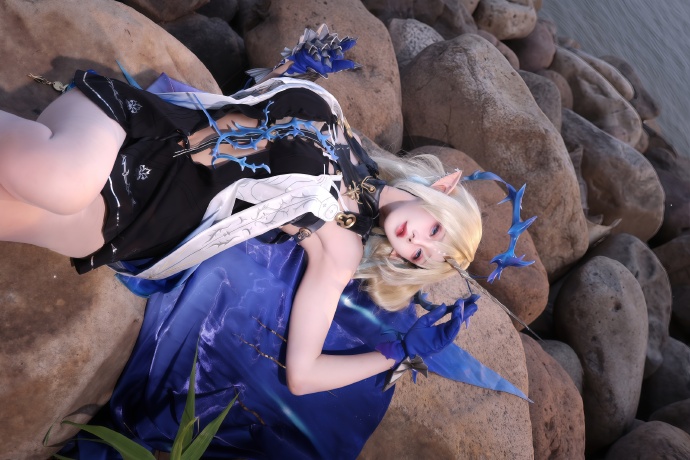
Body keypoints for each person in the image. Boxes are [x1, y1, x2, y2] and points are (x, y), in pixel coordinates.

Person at [6, 26, 527, 458]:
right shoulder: (344, 132)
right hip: (140, 133)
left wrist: (396, 353)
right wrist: (289, 68)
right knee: (62, 183)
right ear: (443, 188)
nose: (415, 242)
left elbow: (301, 375)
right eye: (433, 231)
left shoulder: (341, 250)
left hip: (141, 219)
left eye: (420, 257)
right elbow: (247, 108)